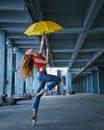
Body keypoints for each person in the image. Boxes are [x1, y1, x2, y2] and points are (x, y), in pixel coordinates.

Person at [20, 33, 61, 126]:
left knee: (38, 96)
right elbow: (46, 61)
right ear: (30, 54)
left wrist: (43, 34)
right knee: (58, 79)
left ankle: (34, 113)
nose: (28, 49)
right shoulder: (35, 59)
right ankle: (46, 89)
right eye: (28, 51)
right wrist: (47, 53)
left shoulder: (38, 54)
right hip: (42, 76)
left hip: (42, 76)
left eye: (28, 50)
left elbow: (42, 44)